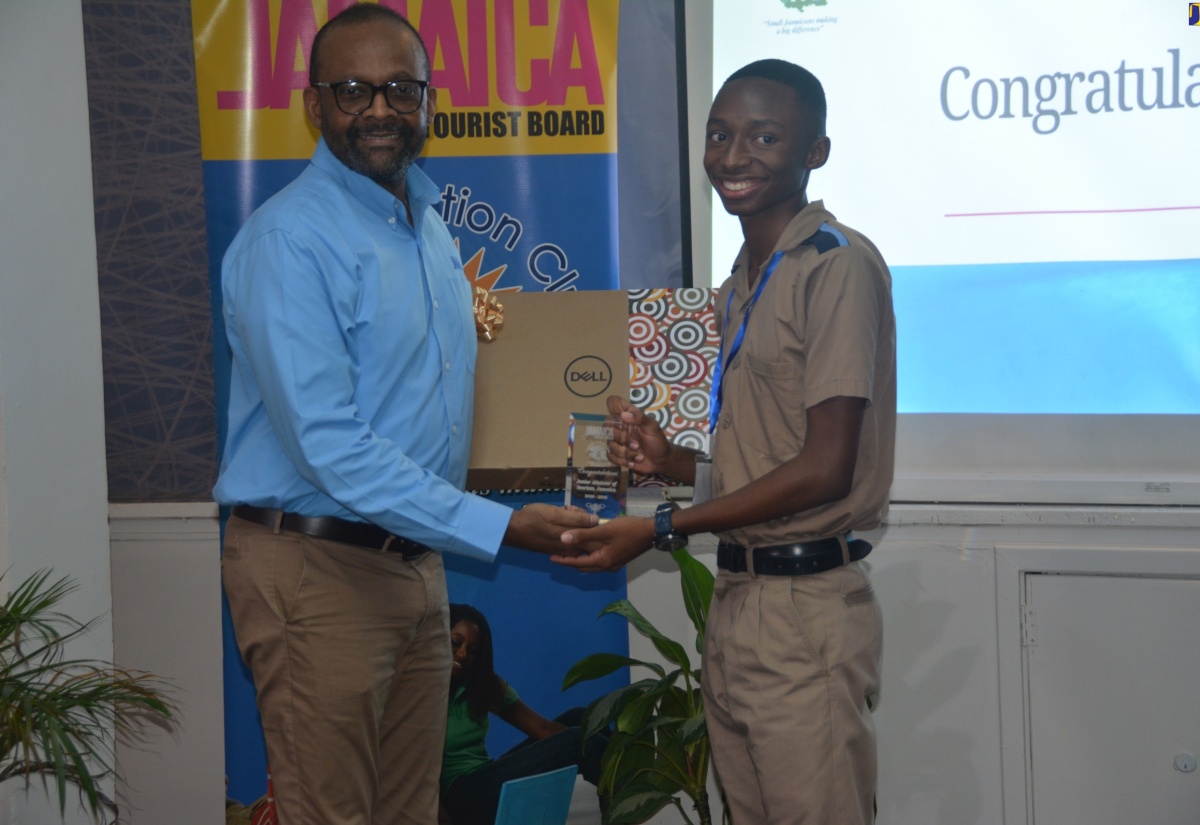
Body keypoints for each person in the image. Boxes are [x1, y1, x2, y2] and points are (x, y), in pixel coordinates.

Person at [214, 5, 596, 824]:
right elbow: (329, 444)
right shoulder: (290, 242)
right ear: (314, 106)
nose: (379, 109)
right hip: (316, 567)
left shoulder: (425, 226)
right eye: (353, 90)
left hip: (414, 564)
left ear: (429, 101)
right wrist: (498, 528)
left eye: (400, 89)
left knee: (409, 812)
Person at [554, 59, 896, 825]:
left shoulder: (835, 266)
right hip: (742, 601)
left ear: (816, 152)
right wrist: (671, 462)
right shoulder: (742, 280)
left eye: (764, 136)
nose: (733, 156)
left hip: (805, 609)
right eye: (719, 134)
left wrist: (662, 525)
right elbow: (762, 465)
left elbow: (826, 468)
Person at [438, 604, 607, 825]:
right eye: (456, 642)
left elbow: (543, 729)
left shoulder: (481, 685)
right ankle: (624, 806)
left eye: (472, 650)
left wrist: (573, 750)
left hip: (485, 778)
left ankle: (620, 805)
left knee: (586, 719)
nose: (462, 653)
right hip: (460, 798)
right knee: (577, 741)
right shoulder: (421, 691)